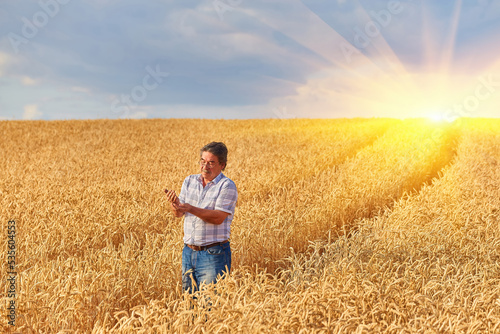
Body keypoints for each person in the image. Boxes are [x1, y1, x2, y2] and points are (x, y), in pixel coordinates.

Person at [165, 142, 237, 293]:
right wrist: (175, 205)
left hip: (213, 254)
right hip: (188, 252)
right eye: (203, 161)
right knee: (189, 305)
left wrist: (191, 208)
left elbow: (218, 218)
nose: (205, 166)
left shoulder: (226, 186)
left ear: (222, 165)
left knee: (211, 306)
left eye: (211, 163)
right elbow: (178, 214)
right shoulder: (189, 181)